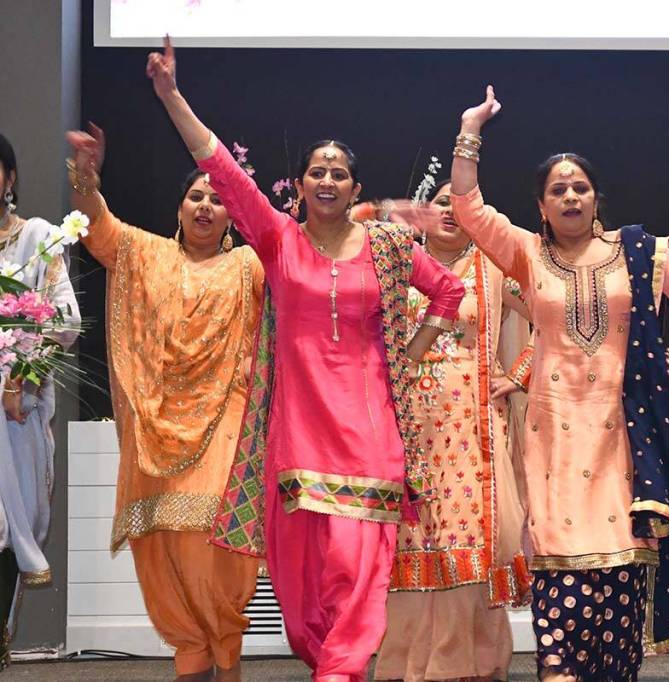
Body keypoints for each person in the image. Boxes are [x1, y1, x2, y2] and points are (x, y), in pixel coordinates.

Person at [144, 39, 465, 681]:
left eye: (338, 172)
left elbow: (448, 290)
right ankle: (327, 660)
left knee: (356, 566)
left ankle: (339, 670)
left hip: (371, 431)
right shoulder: (277, 240)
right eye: (317, 170)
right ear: (305, 182)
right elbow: (221, 171)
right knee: (299, 592)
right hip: (297, 435)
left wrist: (408, 351)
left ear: (356, 187)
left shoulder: (387, 246)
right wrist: (171, 96)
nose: (326, 179)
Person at [450, 86, 669, 682]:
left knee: (621, 569)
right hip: (553, 437)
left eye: (580, 187)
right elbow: (467, 207)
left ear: (596, 198)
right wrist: (471, 130)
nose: (570, 196)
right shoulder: (527, 255)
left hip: (623, 432)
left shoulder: (635, 253)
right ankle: (559, 668)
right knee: (558, 565)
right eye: (557, 190)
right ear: (541, 206)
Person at [67, 123, 261, 682]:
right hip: (154, 426)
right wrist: (85, 176)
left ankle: (227, 661)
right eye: (195, 196)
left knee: (212, 542)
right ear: (178, 208)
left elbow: (304, 265)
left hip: (226, 417)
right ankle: (192, 662)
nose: (205, 206)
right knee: (163, 552)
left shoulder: (249, 265)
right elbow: (97, 228)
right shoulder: (143, 254)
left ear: (233, 216)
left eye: (219, 199)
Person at [376, 180, 533, 682]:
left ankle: (475, 665)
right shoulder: (395, 266)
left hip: (470, 433)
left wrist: (519, 374)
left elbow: (555, 316)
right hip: (403, 430)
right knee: (408, 546)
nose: (448, 211)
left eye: (457, 204)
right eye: (438, 203)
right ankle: (408, 666)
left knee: (468, 546)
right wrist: (386, 212)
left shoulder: (493, 270)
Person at [0, 133, 81, 671]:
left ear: (8, 177)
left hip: (13, 412)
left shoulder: (38, 239)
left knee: (5, 533)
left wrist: (21, 375)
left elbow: (65, 319)